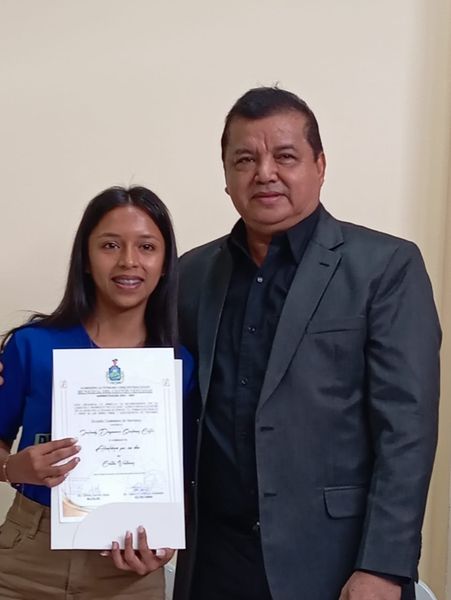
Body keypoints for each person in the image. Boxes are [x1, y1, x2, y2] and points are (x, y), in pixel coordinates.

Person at [172, 88, 441, 600]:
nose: (264, 173)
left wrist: (383, 567)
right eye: (245, 160)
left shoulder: (386, 267)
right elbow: (157, 394)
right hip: (214, 560)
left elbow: (406, 431)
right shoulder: (191, 274)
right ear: (226, 176)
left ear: (320, 165)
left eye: (285, 156)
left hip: (335, 563)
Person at [0, 186, 194, 599]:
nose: (128, 261)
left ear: (165, 264)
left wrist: (166, 541)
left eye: (147, 247)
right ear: (85, 260)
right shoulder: (32, 345)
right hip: (28, 557)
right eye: (110, 245)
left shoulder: (180, 365)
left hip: (129, 567)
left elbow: (187, 470)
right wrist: (13, 467)